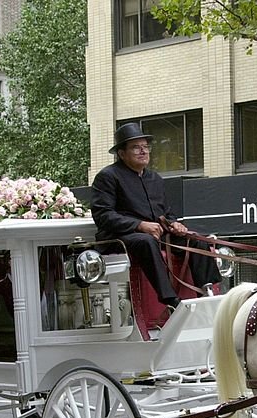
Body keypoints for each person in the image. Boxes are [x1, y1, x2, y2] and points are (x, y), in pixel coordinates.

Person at [89, 122, 221, 310]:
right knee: (146, 241)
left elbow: (166, 212)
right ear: (121, 153)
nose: (143, 151)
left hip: (157, 235)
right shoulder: (108, 176)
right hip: (121, 238)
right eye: (136, 147)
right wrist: (139, 225)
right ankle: (171, 301)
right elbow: (103, 215)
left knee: (196, 240)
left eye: (145, 147)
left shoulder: (155, 179)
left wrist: (174, 223)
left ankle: (207, 291)